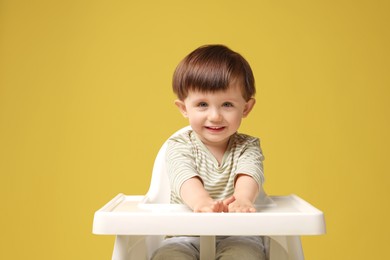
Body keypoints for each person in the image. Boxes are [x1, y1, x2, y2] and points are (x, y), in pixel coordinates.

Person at [151, 44, 266, 260]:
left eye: (227, 104)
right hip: (185, 234)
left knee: (244, 256)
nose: (214, 116)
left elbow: (249, 174)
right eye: (202, 104)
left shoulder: (248, 147)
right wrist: (201, 202)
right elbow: (183, 176)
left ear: (246, 108)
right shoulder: (179, 145)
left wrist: (242, 199)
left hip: (238, 234)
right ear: (184, 108)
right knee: (169, 257)